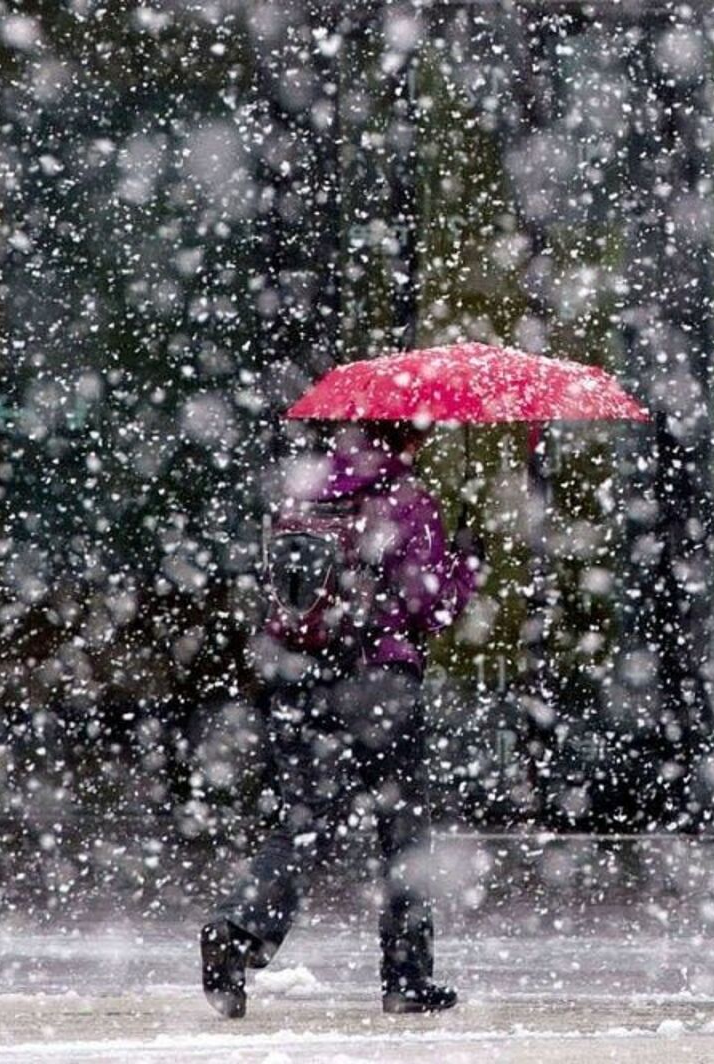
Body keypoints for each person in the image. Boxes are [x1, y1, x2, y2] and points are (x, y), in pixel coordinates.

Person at [201, 422, 478, 1018]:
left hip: (302, 677)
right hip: (378, 681)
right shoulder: (407, 501)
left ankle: (240, 928)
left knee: (305, 819)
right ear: (411, 437)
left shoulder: (301, 495)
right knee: (403, 831)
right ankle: (406, 978)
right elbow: (431, 609)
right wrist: (465, 562)